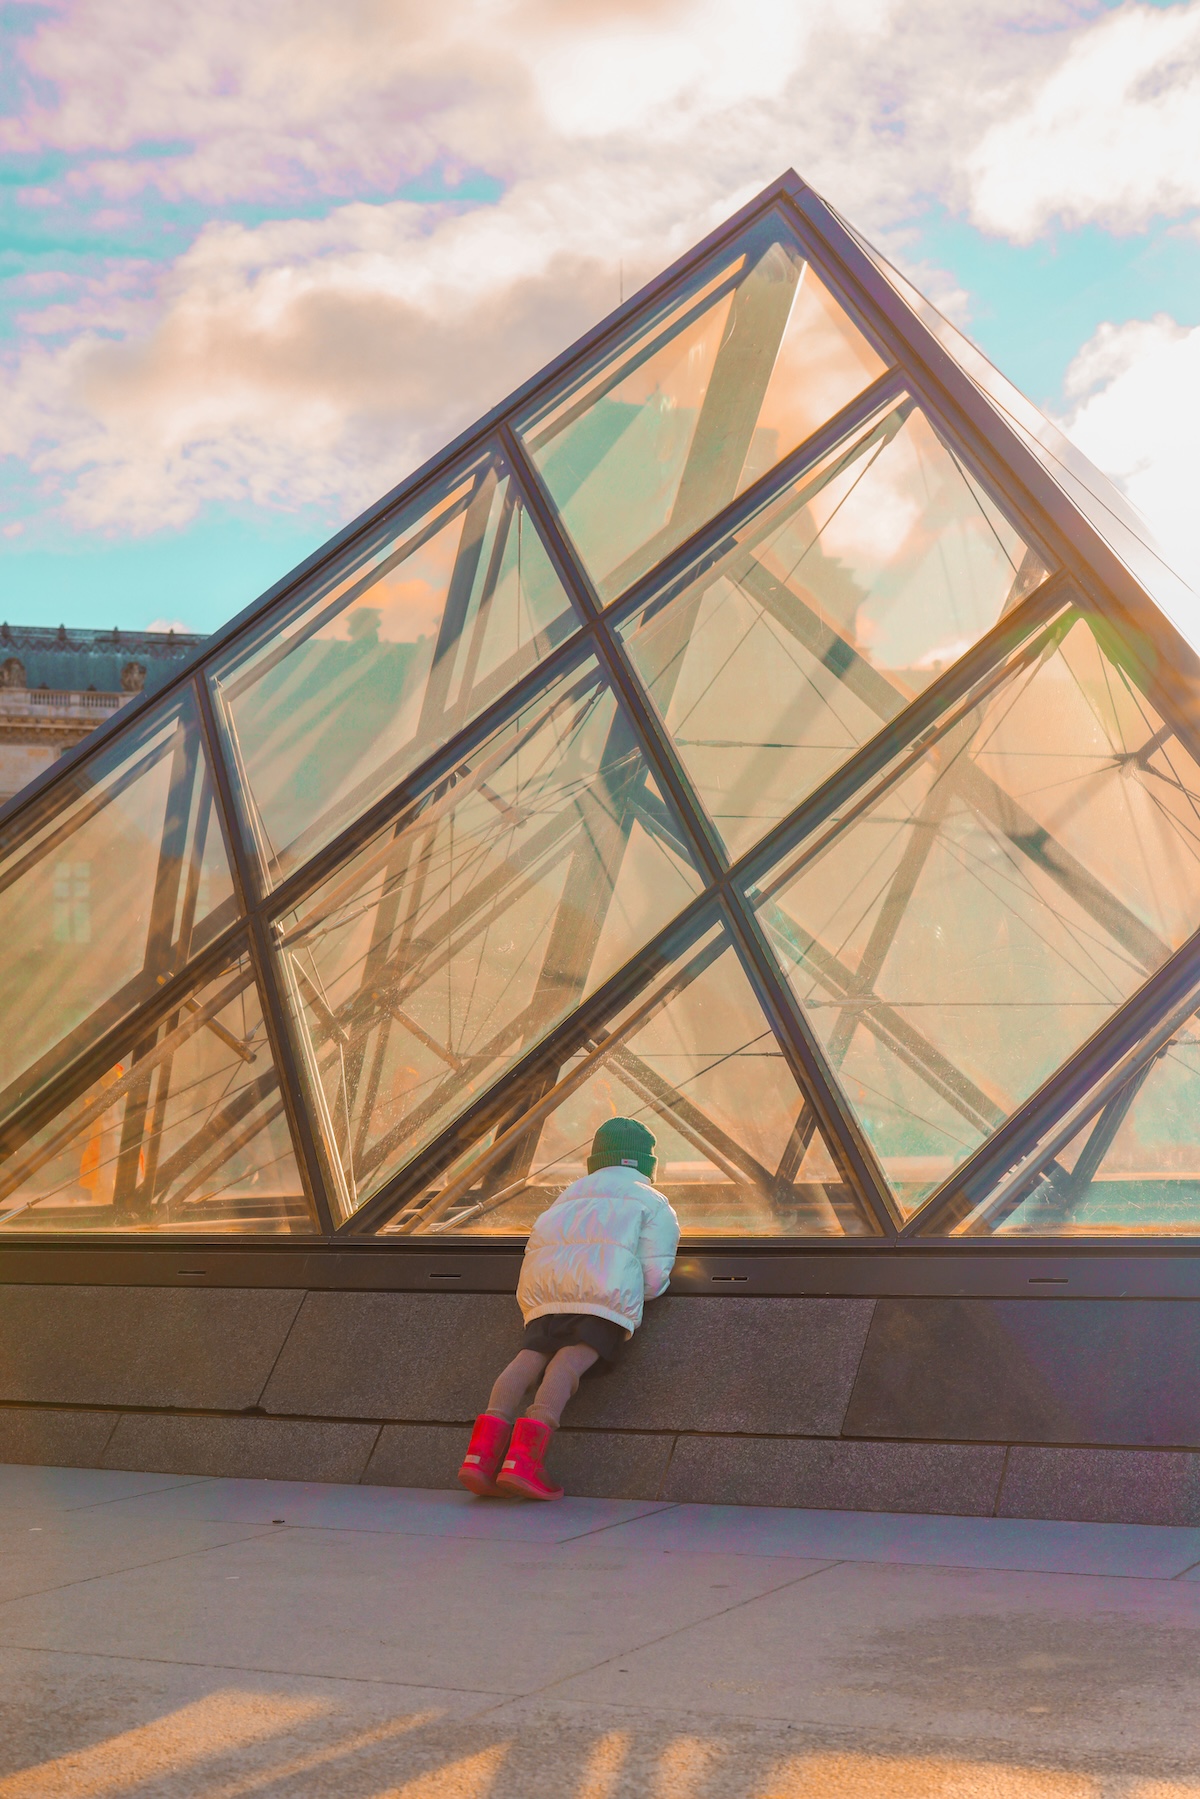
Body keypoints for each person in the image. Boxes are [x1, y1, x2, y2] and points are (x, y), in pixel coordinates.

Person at [457, 1116, 680, 1501]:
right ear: (646, 1163)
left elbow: (538, 1243)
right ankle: (523, 1463)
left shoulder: (568, 1194)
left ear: (597, 1160)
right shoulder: (652, 1201)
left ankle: (479, 1457)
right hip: (602, 1296)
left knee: (527, 1360)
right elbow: (654, 1274)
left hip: (546, 1294)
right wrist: (633, 1295)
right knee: (567, 1365)